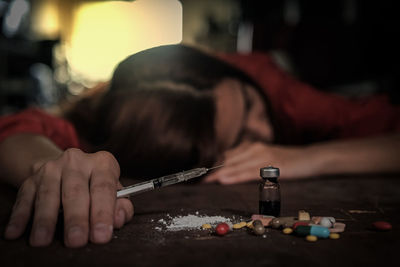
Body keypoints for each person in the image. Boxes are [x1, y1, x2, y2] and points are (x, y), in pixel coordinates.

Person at [0, 44, 399, 248]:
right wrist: (49, 168)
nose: (264, 131)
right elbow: (20, 132)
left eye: (248, 106)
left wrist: (309, 158)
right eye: (240, 139)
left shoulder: (270, 86)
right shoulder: (127, 127)